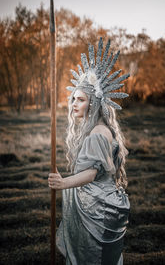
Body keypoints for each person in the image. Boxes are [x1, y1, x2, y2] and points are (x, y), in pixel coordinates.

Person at [48, 37, 130, 265]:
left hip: (96, 209)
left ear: (93, 103)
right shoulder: (101, 128)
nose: (74, 103)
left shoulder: (96, 134)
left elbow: (92, 174)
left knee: (92, 257)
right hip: (104, 203)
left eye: (81, 99)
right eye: (73, 98)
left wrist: (63, 183)